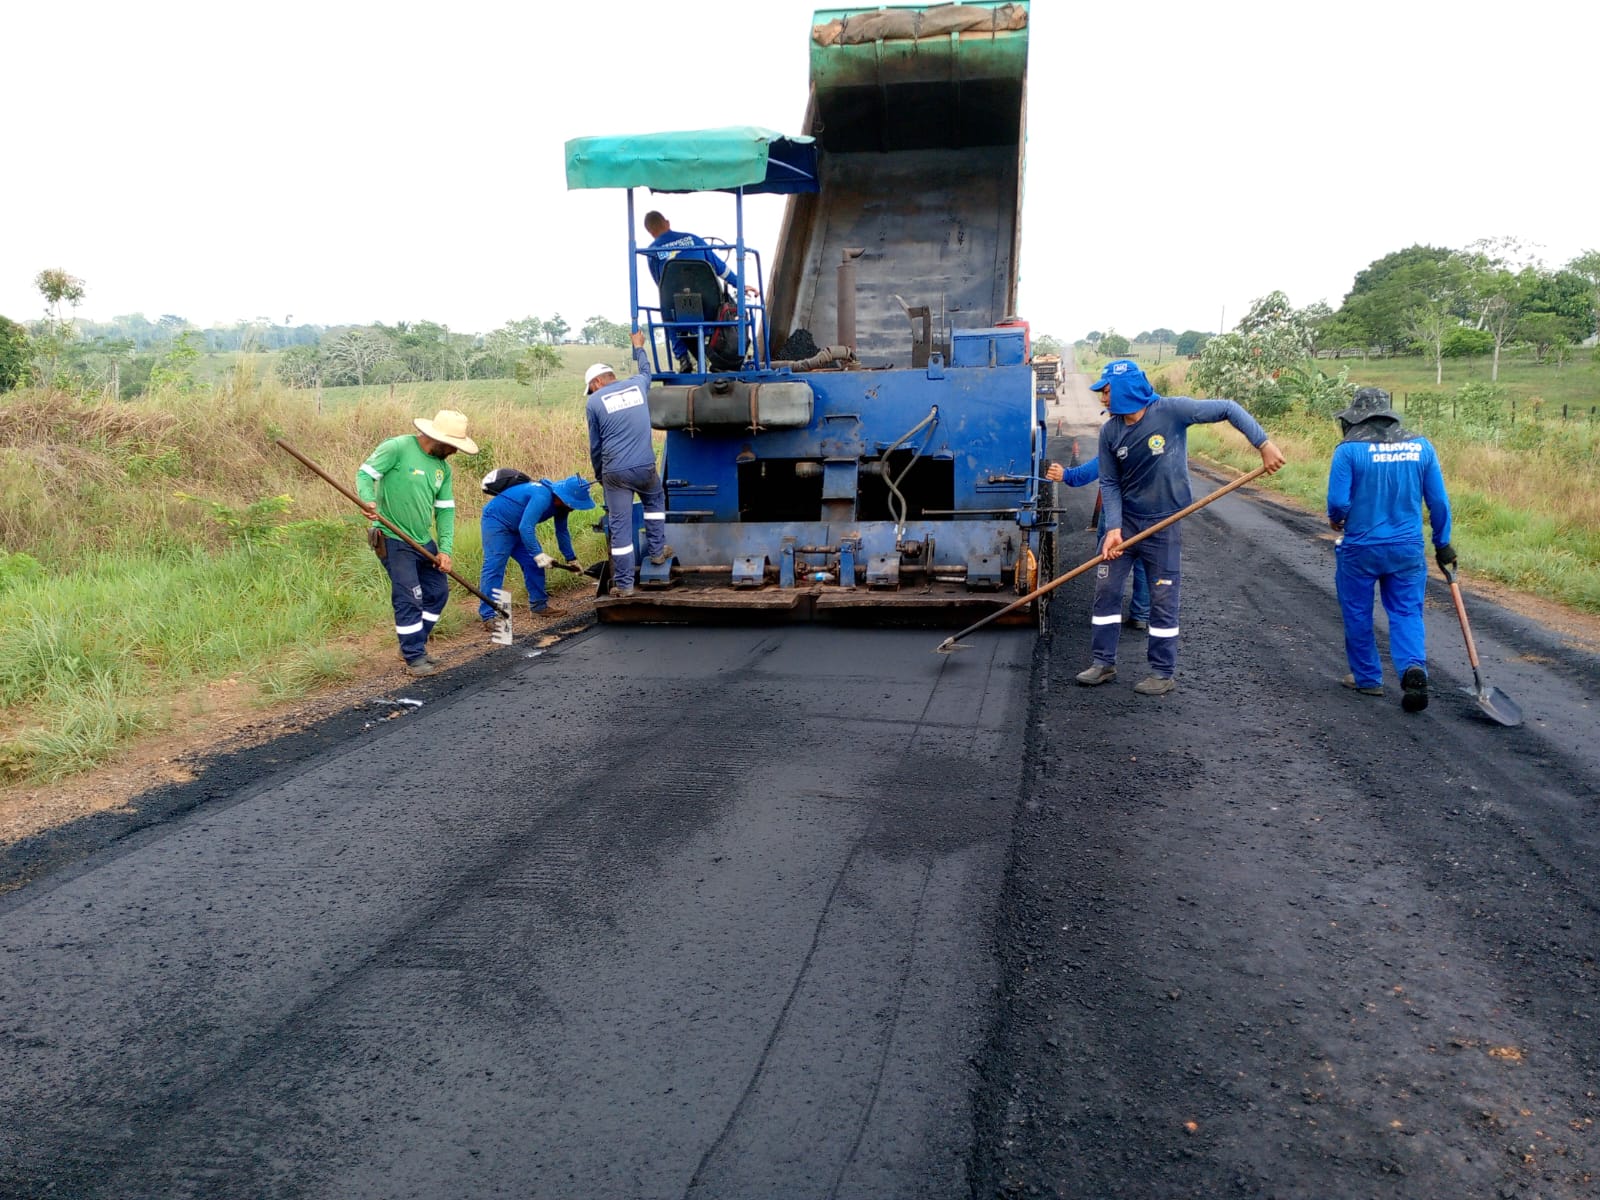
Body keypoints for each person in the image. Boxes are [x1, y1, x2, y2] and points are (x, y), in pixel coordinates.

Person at [1075, 358, 1285, 695]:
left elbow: (1228, 408)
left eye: (1106, 390)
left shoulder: (1173, 411)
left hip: (1164, 522)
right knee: (1107, 590)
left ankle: (1161, 671)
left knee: (1163, 596)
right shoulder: (1110, 431)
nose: (1102, 398)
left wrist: (1264, 444)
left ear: (1126, 390)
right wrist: (1113, 527)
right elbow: (1110, 484)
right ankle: (1102, 663)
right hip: (1126, 524)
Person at [1326, 386, 1453, 712]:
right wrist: (1443, 543)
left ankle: (1368, 679)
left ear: (1356, 418)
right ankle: (1413, 668)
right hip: (1408, 549)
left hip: (1361, 548)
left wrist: (1339, 518)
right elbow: (1438, 501)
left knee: (1358, 611)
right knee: (1407, 612)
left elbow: (1338, 502)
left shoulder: (1348, 451)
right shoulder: (1421, 447)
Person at [357, 409, 477, 677]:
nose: (454, 452)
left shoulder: (442, 469)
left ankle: (413, 644)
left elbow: (445, 510)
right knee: (409, 596)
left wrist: (445, 549)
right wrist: (367, 499)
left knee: (437, 592)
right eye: (452, 446)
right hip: (392, 538)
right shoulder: (397, 447)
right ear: (436, 438)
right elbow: (365, 474)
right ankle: (414, 657)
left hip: (423, 540)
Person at [585, 330, 670, 598]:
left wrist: (600, 475)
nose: (591, 391)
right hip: (645, 467)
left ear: (598, 382)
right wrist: (639, 347)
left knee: (620, 526)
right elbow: (647, 370)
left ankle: (623, 585)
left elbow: (595, 446)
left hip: (615, 473)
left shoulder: (594, 402)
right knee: (655, 502)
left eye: (590, 386)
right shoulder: (638, 384)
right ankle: (657, 553)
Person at [477, 469, 595, 625]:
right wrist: (539, 554)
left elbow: (562, 531)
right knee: (495, 566)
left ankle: (539, 607)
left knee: (533, 564)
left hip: (518, 527)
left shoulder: (562, 506)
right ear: (563, 497)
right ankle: (488, 615)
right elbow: (526, 527)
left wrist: (571, 558)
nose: (573, 508)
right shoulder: (542, 496)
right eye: (573, 504)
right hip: (497, 523)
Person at [642, 210, 756, 372]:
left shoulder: (651, 252)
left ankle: (683, 358)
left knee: (667, 312)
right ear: (667, 222)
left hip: (678, 310)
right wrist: (741, 285)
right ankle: (730, 355)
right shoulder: (694, 239)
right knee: (729, 310)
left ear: (650, 231)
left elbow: (662, 285)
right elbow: (720, 268)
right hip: (710, 306)